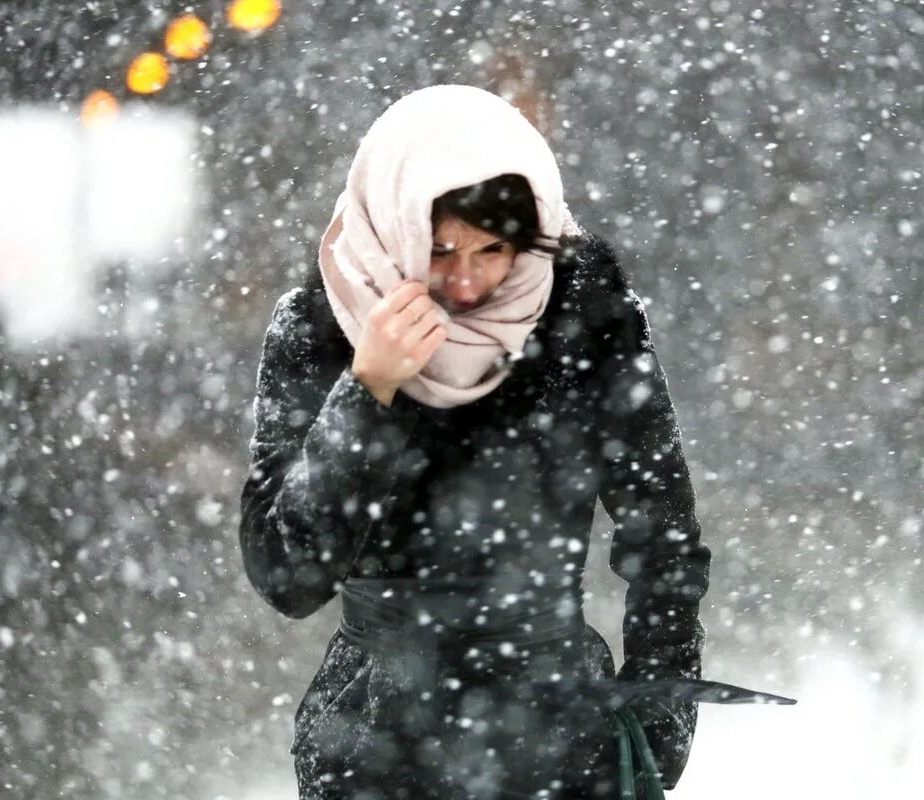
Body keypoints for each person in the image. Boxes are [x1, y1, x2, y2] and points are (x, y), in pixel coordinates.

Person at [239, 85, 787, 800]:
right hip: (374, 741)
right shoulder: (322, 327)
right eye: (438, 249)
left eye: (492, 249)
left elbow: (663, 530)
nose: (466, 280)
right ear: (398, 222)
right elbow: (287, 575)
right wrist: (369, 389)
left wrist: (660, 705)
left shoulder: (582, 316)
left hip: (558, 732)